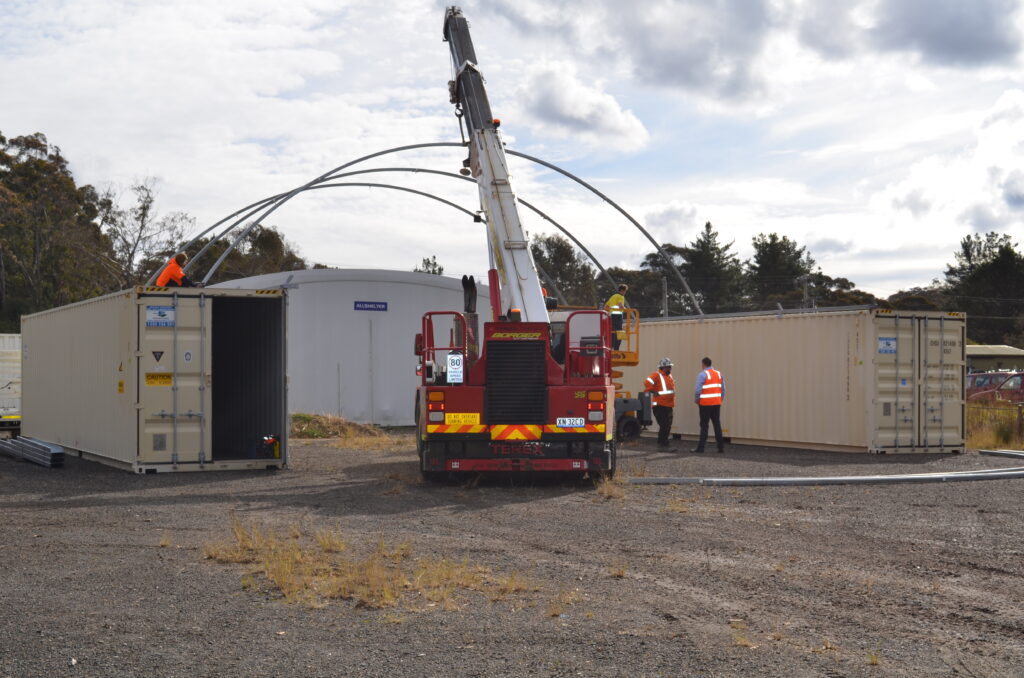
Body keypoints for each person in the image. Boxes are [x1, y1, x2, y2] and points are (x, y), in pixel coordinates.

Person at [692, 356, 725, 453]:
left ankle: (701, 448)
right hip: (716, 403)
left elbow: (698, 391)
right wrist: (719, 400)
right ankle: (721, 447)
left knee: (704, 425)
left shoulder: (702, 374)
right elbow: (723, 390)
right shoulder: (719, 374)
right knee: (717, 424)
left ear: (703, 364)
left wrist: (697, 400)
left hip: (705, 404)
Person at [644, 357, 676, 449]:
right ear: (663, 367)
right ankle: (663, 444)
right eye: (668, 367)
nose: (670, 368)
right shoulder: (657, 375)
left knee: (667, 425)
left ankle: (663, 443)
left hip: (668, 405)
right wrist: (653, 391)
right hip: (659, 405)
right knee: (664, 425)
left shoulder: (669, 376)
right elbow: (647, 382)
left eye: (670, 367)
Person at [604, 284, 629, 350]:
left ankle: (611, 347)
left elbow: (605, 307)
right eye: (625, 291)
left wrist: (611, 310)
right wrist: (625, 309)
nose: (625, 293)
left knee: (612, 331)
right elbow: (620, 305)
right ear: (621, 291)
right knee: (619, 332)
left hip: (612, 316)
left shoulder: (613, 296)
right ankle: (616, 348)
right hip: (618, 316)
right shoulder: (621, 296)